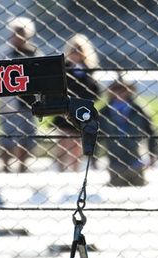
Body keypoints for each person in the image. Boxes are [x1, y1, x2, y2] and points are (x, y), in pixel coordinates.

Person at [0, 17, 40, 172]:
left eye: (22, 33)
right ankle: (6, 166)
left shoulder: (33, 52)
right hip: (9, 101)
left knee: (28, 134)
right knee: (8, 134)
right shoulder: (4, 53)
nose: (18, 36)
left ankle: (23, 166)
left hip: (29, 100)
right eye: (15, 32)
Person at [52, 34, 101, 172]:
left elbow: (95, 90)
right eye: (73, 50)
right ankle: (61, 169)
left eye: (79, 50)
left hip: (81, 109)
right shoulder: (64, 68)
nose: (76, 53)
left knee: (76, 142)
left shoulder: (88, 69)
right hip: (65, 107)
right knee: (62, 141)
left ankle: (75, 169)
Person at [101, 79, 157, 187]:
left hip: (136, 159)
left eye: (123, 90)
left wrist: (152, 154)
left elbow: (150, 132)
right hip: (114, 161)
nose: (119, 93)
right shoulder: (104, 112)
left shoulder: (138, 110)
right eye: (116, 90)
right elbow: (96, 136)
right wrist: (93, 158)